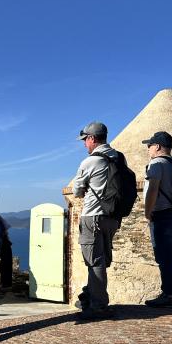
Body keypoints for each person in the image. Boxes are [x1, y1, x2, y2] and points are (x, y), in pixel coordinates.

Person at [69, 122, 123, 321]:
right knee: (102, 260)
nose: (85, 144)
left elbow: (77, 191)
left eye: (85, 140)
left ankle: (98, 306)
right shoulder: (118, 157)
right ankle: (90, 296)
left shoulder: (89, 162)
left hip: (93, 216)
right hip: (112, 217)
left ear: (92, 138)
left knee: (95, 262)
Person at [142, 131, 172, 308]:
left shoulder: (157, 164)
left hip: (163, 215)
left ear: (158, 146)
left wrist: (147, 211)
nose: (148, 149)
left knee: (164, 257)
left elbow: (153, 189)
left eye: (150, 145)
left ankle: (168, 295)